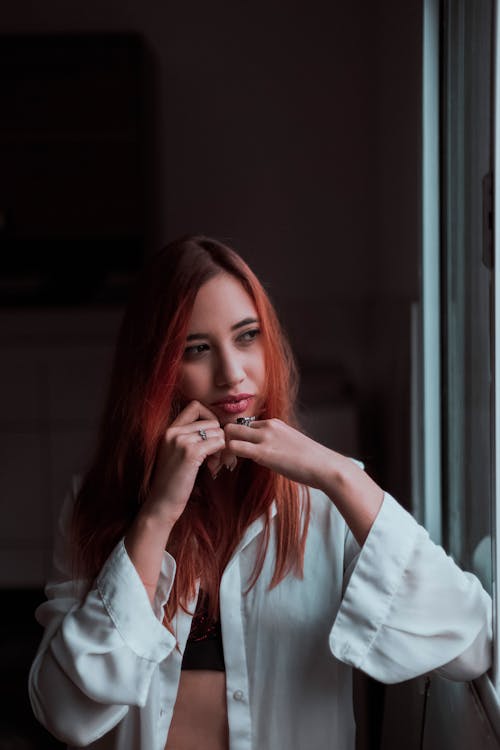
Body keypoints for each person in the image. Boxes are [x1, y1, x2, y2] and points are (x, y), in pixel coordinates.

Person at [29, 235, 492, 750]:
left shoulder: (327, 501)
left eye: (247, 337)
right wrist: (157, 515)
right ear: (155, 370)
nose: (232, 374)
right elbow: (65, 712)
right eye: (197, 349)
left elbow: (468, 644)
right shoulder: (95, 501)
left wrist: (341, 475)